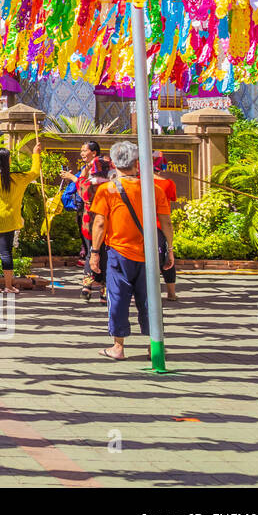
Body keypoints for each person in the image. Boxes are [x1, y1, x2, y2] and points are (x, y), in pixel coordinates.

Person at [90, 140, 174, 361]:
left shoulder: (106, 189)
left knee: (117, 298)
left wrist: (95, 252)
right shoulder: (153, 189)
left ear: (114, 164)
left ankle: (118, 347)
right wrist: (170, 250)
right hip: (149, 254)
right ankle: (154, 346)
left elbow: (99, 224)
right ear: (137, 162)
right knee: (150, 300)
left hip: (119, 252)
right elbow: (166, 223)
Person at [0, 141, 42, 293]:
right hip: (8, 221)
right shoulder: (16, 179)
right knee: (6, 253)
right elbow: (34, 172)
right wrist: (35, 154)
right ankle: (8, 286)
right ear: (8, 161)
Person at [60, 141, 111, 300]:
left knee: (93, 251)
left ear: (94, 153)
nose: (82, 153)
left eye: (84, 150)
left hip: (91, 220)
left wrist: (72, 177)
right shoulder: (110, 183)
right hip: (104, 220)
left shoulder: (90, 183)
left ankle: (88, 285)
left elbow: (82, 185)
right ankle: (102, 288)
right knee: (102, 252)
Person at [150, 154, 179, 301]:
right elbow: (172, 199)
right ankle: (171, 293)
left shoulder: (142, 182)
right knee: (167, 258)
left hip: (144, 225)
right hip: (162, 224)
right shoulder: (168, 183)